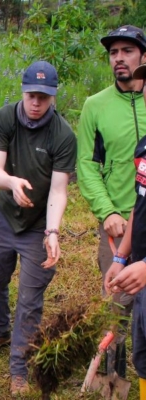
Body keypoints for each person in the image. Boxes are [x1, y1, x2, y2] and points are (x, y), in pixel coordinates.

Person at [0, 61, 76, 396]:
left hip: (37, 226)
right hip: (4, 218)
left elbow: (59, 191)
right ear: (22, 91)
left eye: (43, 98)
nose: (36, 103)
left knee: (30, 299)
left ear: (53, 97)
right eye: (31, 94)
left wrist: (53, 232)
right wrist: (11, 182)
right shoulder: (4, 118)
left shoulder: (63, 135)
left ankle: (19, 367)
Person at [77, 25, 146, 378]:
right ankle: (114, 377)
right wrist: (108, 211)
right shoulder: (96, 106)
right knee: (117, 306)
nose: (118, 58)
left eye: (127, 51)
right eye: (113, 52)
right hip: (119, 225)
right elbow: (87, 166)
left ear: (143, 56)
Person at [105, 62, 146, 400]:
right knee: (143, 355)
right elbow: (139, 204)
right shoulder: (144, 148)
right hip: (140, 269)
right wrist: (122, 255)